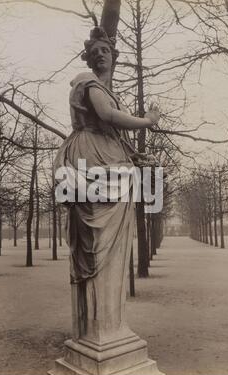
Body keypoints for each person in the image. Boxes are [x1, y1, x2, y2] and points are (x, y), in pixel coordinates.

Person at [54, 26, 160, 342]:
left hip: (107, 157)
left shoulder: (108, 92)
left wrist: (137, 156)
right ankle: (98, 331)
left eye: (106, 50)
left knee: (109, 250)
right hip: (90, 159)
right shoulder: (88, 83)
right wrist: (148, 122)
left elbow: (115, 133)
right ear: (88, 58)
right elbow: (107, 116)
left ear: (114, 57)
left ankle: (108, 328)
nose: (101, 54)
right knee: (95, 243)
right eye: (95, 51)